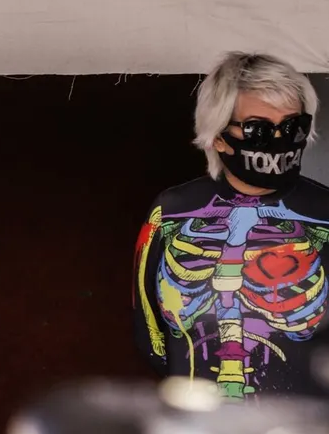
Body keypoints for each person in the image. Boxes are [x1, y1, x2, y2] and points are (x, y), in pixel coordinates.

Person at [133, 52, 329, 399]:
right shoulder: (170, 212)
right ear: (218, 135)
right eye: (257, 129)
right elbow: (151, 334)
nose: (279, 139)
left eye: (292, 126)